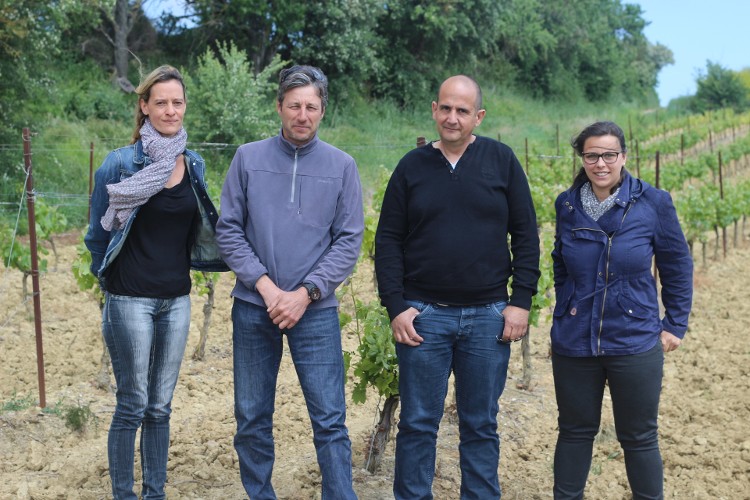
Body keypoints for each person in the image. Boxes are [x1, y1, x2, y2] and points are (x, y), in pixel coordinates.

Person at [374, 75, 541, 499]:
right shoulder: (412, 166)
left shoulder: (501, 160)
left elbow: (525, 234)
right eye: (445, 108)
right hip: (422, 317)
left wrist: (520, 302)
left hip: (488, 317)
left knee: (480, 424)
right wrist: (396, 305)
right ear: (434, 109)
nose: (452, 118)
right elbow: (388, 239)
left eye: (462, 110)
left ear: (478, 116)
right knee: (417, 423)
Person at [215, 64, 363, 499]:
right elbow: (229, 229)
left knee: (330, 419)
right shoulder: (248, 157)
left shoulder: (343, 166)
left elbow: (348, 240)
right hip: (253, 306)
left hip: (315, 311)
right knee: (252, 416)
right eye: (294, 105)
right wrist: (266, 287)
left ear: (322, 111)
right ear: (279, 107)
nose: (303, 114)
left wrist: (305, 293)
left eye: (311, 106)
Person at [84, 65, 227, 499]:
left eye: (177, 102)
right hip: (129, 299)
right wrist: (109, 281)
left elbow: (196, 226)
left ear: (185, 107)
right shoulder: (120, 163)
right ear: (144, 107)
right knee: (131, 404)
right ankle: (125, 494)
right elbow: (96, 234)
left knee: (160, 407)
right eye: (160, 102)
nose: (169, 110)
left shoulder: (193, 163)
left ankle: (155, 493)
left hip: (176, 301)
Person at [550, 121, 693, 499]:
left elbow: (677, 265)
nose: (600, 163)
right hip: (575, 343)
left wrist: (675, 324)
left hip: (634, 340)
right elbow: (560, 262)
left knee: (639, 437)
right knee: (575, 431)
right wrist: (567, 306)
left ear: (623, 157)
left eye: (609, 155)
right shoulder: (566, 204)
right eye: (592, 155)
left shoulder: (653, 203)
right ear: (582, 158)